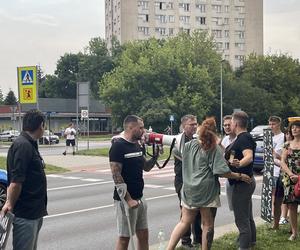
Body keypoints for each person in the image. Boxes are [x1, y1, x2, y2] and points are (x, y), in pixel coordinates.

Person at [167, 118, 251, 250]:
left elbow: (177, 152)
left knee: (184, 221)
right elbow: (222, 171)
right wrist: (240, 176)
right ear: (214, 133)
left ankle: (169, 248)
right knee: (207, 224)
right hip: (206, 190)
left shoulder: (189, 145)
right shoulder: (213, 148)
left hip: (189, 188)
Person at [109, 115, 159, 250]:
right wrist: (129, 199)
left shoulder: (137, 145)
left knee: (143, 234)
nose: (144, 131)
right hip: (125, 200)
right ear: (131, 127)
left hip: (140, 197)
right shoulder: (118, 146)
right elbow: (116, 175)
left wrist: (155, 156)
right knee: (125, 238)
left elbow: (146, 167)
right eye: (141, 128)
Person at [1, 109, 47, 250]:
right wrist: (9, 202)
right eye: (44, 126)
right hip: (26, 214)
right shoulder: (23, 146)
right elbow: (16, 181)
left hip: (34, 212)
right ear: (40, 125)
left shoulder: (29, 143)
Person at [224, 111, 256, 250]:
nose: (229, 124)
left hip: (242, 184)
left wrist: (239, 164)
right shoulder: (239, 138)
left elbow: (249, 156)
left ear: (235, 123)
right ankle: (251, 241)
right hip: (243, 183)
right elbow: (232, 158)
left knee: (241, 219)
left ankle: (244, 247)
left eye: (230, 122)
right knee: (247, 216)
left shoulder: (244, 138)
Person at [172, 114, 202, 248]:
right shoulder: (178, 140)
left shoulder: (197, 138)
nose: (195, 126)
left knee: (198, 210)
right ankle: (185, 241)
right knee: (185, 211)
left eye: (196, 124)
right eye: (192, 124)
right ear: (184, 126)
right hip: (182, 181)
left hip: (195, 180)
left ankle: (198, 238)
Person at [280, 120, 300, 241]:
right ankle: (294, 232)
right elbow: (283, 161)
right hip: (290, 179)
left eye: (297, 127)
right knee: (292, 206)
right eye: (293, 128)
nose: (294, 129)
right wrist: (290, 174)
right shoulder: (287, 144)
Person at [268, 116, 286, 229]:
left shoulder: (282, 137)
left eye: (273, 124)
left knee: (279, 196)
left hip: (279, 170)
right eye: (270, 124)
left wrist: (271, 150)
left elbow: (281, 157)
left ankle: (282, 217)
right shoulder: (270, 137)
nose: (271, 126)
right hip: (270, 170)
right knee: (272, 195)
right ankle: (274, 218)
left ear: (278, 124)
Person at [221, 115, 236, 212]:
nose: (227, 127)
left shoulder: (239, 139)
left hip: (239, 178)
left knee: (242, 209)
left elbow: (232, 159)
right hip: (229, 177)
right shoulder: (225, 139)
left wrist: (221, 147)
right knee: (233, 208)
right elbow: (223, 158)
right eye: (225, 125)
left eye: (229, 125)